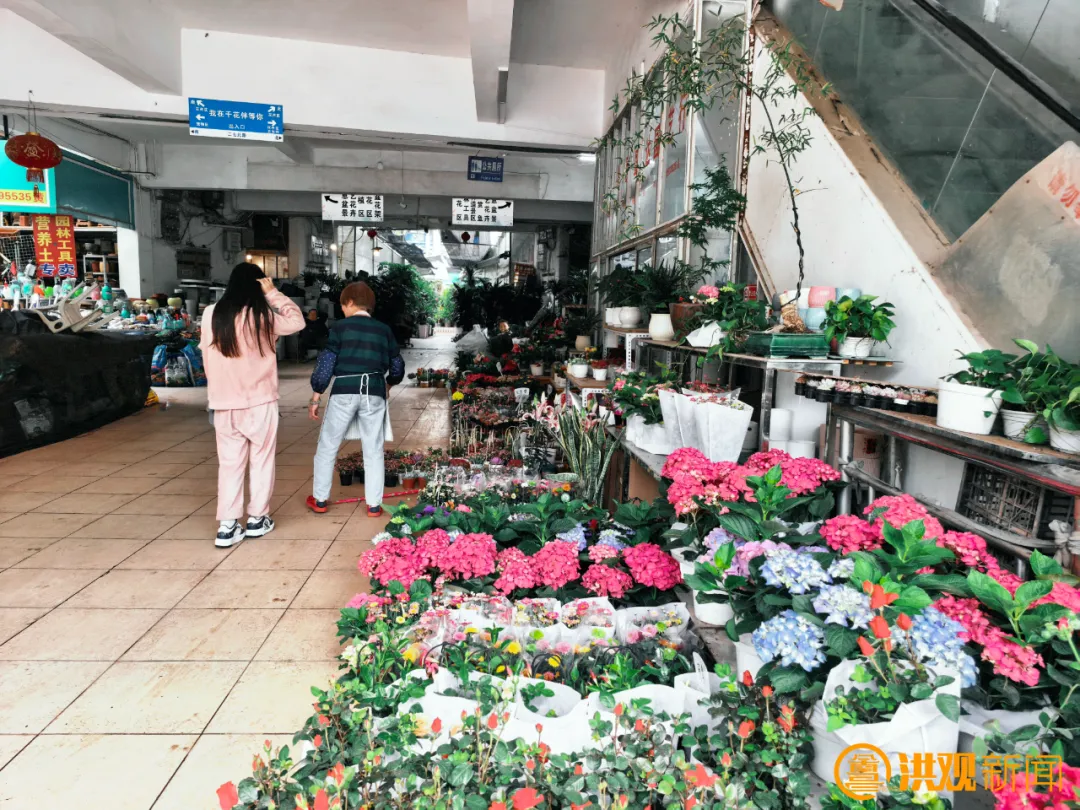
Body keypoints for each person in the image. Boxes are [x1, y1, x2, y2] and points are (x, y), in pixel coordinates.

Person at [200, 263, 305, 547]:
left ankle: (227, 526)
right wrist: (273, 294)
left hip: (224, 403)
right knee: (261, 461)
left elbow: (207, 358)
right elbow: (297, 321)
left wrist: (215, 394)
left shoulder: (211, 314)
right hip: (260, 402)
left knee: (229, 465)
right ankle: (258, 519)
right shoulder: (262, 316)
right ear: (258, 286)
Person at [307, 281, 404, 517]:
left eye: (342, 305)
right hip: (374, 392)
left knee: (328, 445)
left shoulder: (340, 328)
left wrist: (317, 394)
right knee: (373, 448)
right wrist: (389, 384)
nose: (342, 310)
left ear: (350, 302)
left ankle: (320, 500)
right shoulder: (383, 330)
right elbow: (397, 365)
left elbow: (327, 362)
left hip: (344, 390)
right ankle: (374, 505)